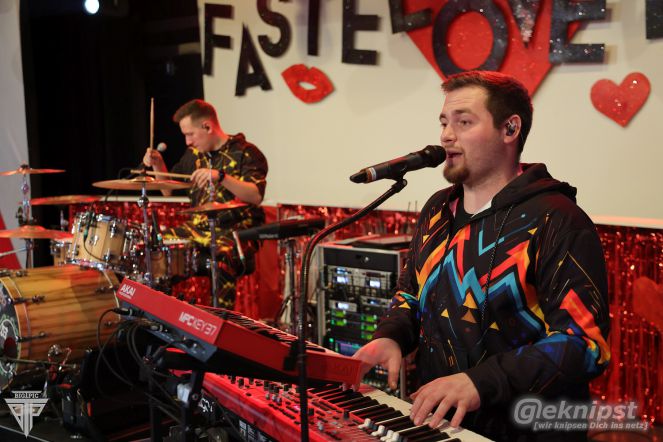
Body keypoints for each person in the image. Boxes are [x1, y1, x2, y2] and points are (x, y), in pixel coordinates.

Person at [352, 71, 610, 441]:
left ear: (510, 129)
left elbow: (585, 344)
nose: (446, 135)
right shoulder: (438, 209)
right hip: (437, 426)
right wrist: (391, 335)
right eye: (444, 122)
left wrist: (480, 382)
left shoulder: (557, 219)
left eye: (464, 122)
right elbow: (411, 293)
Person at [143, 99, 268, 309]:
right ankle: (159, 315)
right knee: (155, 247)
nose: (187, 142)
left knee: (223, 256)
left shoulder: (246, 152)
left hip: (236, 231)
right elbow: (167, 190)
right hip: (198, 229)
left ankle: (221, 319)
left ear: (207, 127)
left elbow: (255, 196)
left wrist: (220, 176)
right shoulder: (193, 155)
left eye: (190, 134)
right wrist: (158, 164)